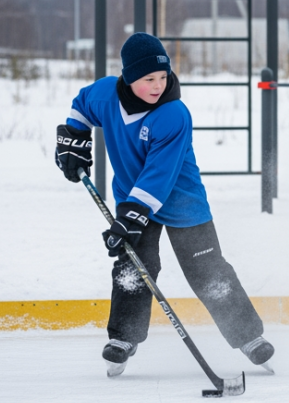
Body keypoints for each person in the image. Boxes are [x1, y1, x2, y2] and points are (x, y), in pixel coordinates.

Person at [54, 32, 274, 377]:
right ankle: (124, 339)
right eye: (148, 79)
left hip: (181, 200)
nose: (158, 85)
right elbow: (81, 105)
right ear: (128, 77)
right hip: (132, 198)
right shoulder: (106, 95)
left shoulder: (173, 114)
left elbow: (159, 173)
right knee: (133, 269)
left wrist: (130, 216)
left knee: (209, 272)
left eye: (163, 76)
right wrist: (74, 137)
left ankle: (248, 337)